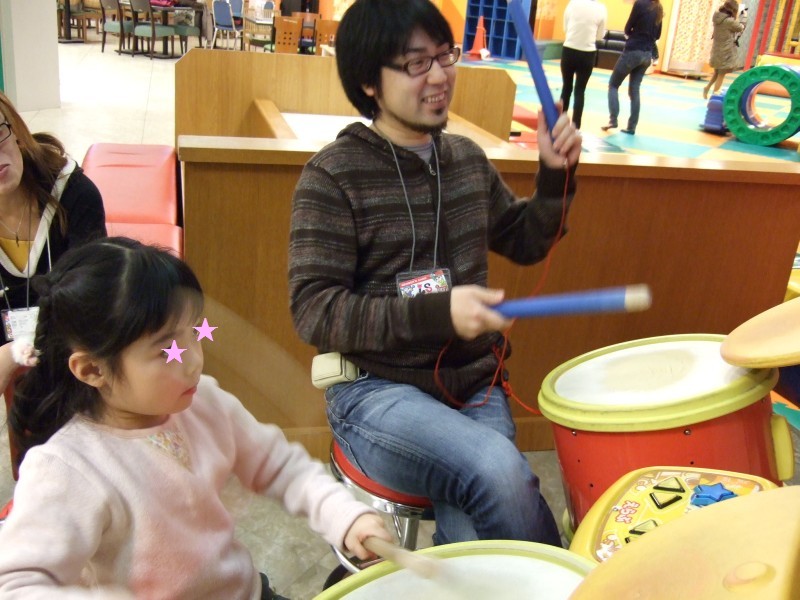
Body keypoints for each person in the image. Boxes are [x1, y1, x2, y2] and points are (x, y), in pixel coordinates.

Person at [289, 0, 581, 548]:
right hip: (375, 392)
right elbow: (314, 311)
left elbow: (524, 240)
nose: (441, 76)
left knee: (475, 533)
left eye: (445, 56)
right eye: (416, 63)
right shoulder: (333, 176)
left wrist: (553, 174)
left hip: (473, 385)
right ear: (369, 82)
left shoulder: (465, 160)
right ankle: (571, 582)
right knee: (497, 471)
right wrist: (437, 312)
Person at [0, 237, 390, 599]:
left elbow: (280, 466)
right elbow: (17, 585)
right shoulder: (67, 468)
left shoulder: (203, 399)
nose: (194, 361)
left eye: (195, 333)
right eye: (166, 349)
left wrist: (344, 516)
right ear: (92, 370)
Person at [0, 91, 106, 393]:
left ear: (15, 129)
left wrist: (14, 350)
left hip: (78, 355)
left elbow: (90, 301)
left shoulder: (74, 194)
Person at [601, 0, 663, 135]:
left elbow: (628, 28)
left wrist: (634, 33)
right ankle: (631, 127)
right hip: (647, 55)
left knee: (613, 85)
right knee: (634, 90)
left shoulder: (640, 4)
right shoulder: (659, 8)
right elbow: (658, 35)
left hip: (633, 51)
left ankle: (613, 119)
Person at [560, 0, 607, 129]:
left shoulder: (572, 4)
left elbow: (565, 28)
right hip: (587, 53)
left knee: (566, 88)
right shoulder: (601, 8)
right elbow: (600, 36)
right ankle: (576, 126)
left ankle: (560, 122)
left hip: (569, 50)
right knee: (580, 91)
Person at [703, 0, 747, 99]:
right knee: (721, 74)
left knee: (717, 72)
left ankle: (707, 88)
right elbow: (740, 28)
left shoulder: (716, 17)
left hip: (716, 48)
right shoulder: (729, 21)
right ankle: (715, 96)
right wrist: (744, 16)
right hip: (726, 50)